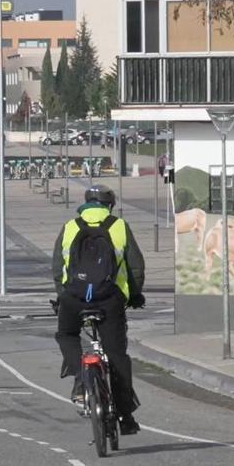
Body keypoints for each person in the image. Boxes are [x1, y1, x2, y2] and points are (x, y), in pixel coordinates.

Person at [52, 185, 146, 434]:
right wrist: (134, 296)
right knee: (117, 356)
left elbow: (57, 266)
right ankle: (125, 416)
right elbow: (135, 267)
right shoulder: (118, 226)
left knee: (66, 335)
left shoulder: (70, 227)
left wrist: (63, 296)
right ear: (109, 205)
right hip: (108, 299)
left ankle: (81, 380)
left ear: (85, 204)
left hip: (74, 298)